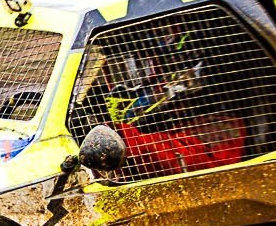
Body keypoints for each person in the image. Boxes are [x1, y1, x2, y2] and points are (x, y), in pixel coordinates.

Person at [96, 24, 245, 175]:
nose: (121, 87)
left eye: (140, 69)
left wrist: (117, 138)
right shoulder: (175, 121)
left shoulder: (223, 129)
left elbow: (172, 156)